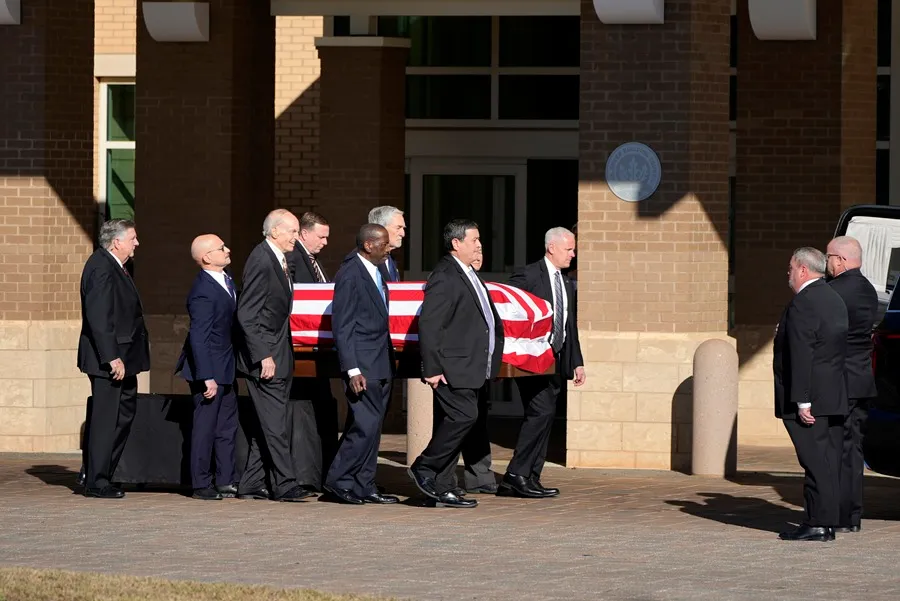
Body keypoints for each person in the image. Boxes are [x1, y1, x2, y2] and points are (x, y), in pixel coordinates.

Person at [408, 219, 505, 508]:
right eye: (473, 240)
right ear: (456, 243)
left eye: (479, 240)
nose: (479, 244)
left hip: (472, 366)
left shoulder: (468, 273)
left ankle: (440, 485)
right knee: (464, 417)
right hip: (453, 367)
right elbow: (430, 323)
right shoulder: (445, 276)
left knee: (457, 421)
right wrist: (433, 368)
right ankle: (424, 467)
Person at [235, 209, 314, 503]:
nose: (297, 237)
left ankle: (253, 482)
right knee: (276, 424)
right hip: (266, 360)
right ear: (275, 232)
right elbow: (247, 314)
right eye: (293, 232)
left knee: (270, 423)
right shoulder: (261, 259)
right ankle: (285, 484)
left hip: (279, 354)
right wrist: (263, 355)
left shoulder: (280, 260)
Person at [503, 227, 586, 498]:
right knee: (540, 411)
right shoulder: (528, 275)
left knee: (546, 415)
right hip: (531, 359)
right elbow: (509, 310)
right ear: (551, 247)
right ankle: (516, 474)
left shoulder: (565, 281)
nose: (573, 255)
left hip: (556, 359)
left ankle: (530, 477)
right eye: (568, 249)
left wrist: (577, 361)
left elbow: (568, 324)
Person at [774, 247, 848, 541]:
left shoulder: (805, 302)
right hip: (832, 394)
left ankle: (818, 522)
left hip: (811, 399)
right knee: (826, 461)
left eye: (791, 268)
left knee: (814, 461)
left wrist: (802, 400)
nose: (788, 274)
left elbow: (803, 353)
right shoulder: (833, 297)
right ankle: (826, 521)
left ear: (803, 269)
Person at [323, 224, 398, 504]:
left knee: (373, 426)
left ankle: (364, 484)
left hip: (380, 361)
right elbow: (342, 326)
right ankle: (338, 482)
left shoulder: (377, 270)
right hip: (363, 365)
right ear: (368, 245)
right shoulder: (350, 273)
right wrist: (352, 369)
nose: (389, 248)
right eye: (384, 244)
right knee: (364, 425)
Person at [77, 219, 150, 499]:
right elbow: (99, 317)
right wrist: (111, 357)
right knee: (107, 419)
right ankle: (96, 480)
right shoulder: (100, 267)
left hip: (126, 357)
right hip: (109, 360)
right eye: (133, 238)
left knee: (123, 415)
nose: (137, 243)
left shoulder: (117, 266)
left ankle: (104, 472)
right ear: (117, 241)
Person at [174, 234, 240, 501]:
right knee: (205, 428)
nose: (227, 250)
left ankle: (225, 480)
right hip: (209, 370)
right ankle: (201, 483)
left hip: (227, 366)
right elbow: (198, 336)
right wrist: (206, 376)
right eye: (221, 248)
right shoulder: (202, 290)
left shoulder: (226, 280)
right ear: (206, 257)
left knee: (227, 426)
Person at [825, 236, 879, 533]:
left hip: (839, 381)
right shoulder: (868, 290)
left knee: (836, 448)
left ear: (841, 260)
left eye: (829, 257)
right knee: (853, 449)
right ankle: (852, 515)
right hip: (860, 379)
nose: (827, 262)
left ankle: (838, 514)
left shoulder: (833, 292)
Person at [286, 211, 338, 493]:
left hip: (317, 352)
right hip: (301, 351)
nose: (326, 242)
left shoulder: (312, 261)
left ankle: (317, 472)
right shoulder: (295, 259)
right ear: (304, 234)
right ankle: (304, 475)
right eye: (321, 236)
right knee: (303, 411)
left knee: (319, 408)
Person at [367, 205, 406, 283]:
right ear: (380, 228)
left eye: (403, 228)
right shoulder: (364, 262)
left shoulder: (390, 259)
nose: (403, 234)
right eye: (398, 228)